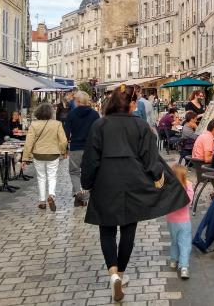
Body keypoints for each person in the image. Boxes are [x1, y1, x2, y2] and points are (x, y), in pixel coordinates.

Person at [81, 84, 189, 302]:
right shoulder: (140, 126)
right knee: (128, 229)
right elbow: (150, 159)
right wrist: (158, 177)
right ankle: (121, 273)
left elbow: (90, 158)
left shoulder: (99, 125)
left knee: (107, 229)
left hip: (105, 181)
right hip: (133, 181)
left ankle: (112, 274)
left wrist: (87, 182)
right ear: (131, 104)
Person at [22, 103, 68, 211]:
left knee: (41, 177)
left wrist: (25, 157)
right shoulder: (57, 124)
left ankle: (42, 201)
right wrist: (62, 151)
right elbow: (64, 140)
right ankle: (51, 195)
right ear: (51, 113)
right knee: (52, 176)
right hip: (53, 154)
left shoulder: (34, 125)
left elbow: (29, 142)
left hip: (38, 154)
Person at [65, 91, 100, 207]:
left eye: (75, 100)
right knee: (89, 172)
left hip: (75, 147)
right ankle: (84, 197)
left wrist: (65, 147)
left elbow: (66, 133)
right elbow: (98, 132)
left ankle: (79, 193)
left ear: (78, 101)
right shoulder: (94, 115)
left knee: (74, 172)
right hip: (90, 148)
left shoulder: (71, 114)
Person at [166, 164, 194, 279]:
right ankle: (183, 267)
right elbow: (190, 202)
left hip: (171, 220)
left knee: (174, 240)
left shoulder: (168, 187)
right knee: (185, 243)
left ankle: (173, 260)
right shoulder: (188, 186)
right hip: (184, 221)